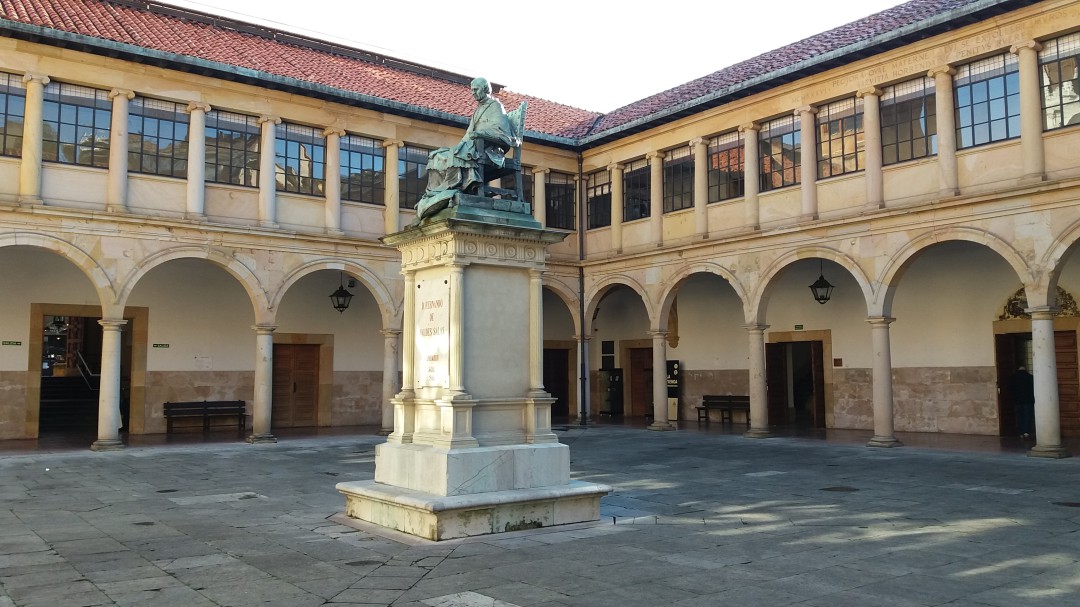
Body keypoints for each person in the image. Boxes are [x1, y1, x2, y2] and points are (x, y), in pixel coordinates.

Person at [413, 77, 517, 221]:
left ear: (486, 89)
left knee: (458, 155)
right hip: (474, 147)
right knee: (437, 156)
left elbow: (502, 134)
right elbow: (468, 135)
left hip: (490, 151)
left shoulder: (495, 106)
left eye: (476, 89)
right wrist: (458, 147)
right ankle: (436, 193)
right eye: (472, 90)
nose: (473, 93)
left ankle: (454, 187)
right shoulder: (478, 109)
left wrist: (480, 134)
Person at [1010, 365, 1035, 438]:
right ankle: (1026, 431)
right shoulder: (1030, 377)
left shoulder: (1013, 378)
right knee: (1027, 416)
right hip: (1028, 400)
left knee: (1019, 416)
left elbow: (1010, 389)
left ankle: (1020, 432)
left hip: (1017, 400)